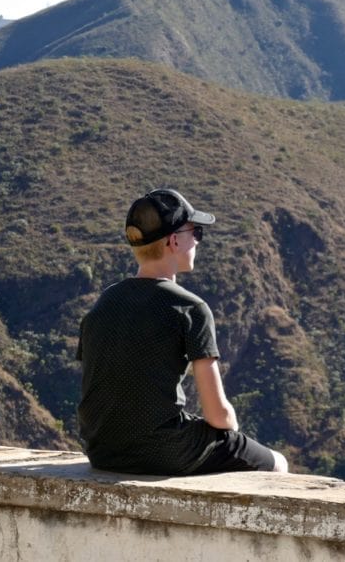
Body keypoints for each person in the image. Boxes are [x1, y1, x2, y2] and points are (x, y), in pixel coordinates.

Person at [77, 188, 288, 475]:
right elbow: (217, 414)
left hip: (102, 452)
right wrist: (233, 430)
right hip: (164, 452)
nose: (198, 241)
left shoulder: (104, 303)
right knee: (277, 464)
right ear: (174, 241)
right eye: (195, 232)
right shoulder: (189, 308)